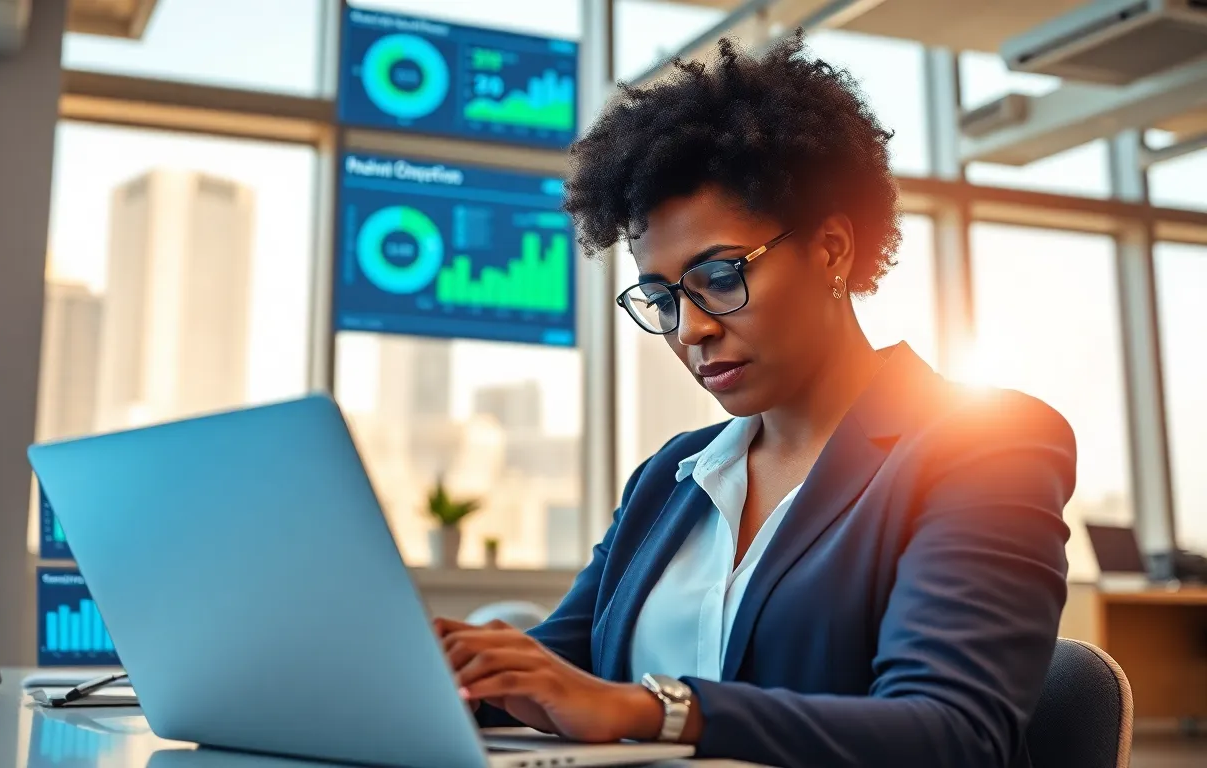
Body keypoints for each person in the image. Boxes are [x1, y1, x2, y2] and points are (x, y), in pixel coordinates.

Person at [434, 32, 1075, 768]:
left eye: (719, 275)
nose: (692, 328)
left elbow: (953, 734)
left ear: (832, 250)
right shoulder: (672, 477)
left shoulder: (987, 444)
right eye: (662, 296)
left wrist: (656, 710)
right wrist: (433, 674)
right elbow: (553, 672)